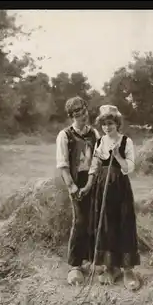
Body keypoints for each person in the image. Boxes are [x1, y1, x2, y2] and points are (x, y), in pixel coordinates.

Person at [79, 105, 141, 291]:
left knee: (123, 223)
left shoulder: (125, 141)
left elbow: (129, 168)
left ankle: (128, 271)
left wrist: (118, 157)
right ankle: (110, 268)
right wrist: (89, 185)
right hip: (102, 188)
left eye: (111, 123)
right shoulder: (100, 142)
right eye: (104, 124)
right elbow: (95, 165)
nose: (107, 127)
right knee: (105, 225)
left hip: (120, 189)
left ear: (117, 124)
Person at [55, 96, 101, 285]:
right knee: (80, 220)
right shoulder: (65, 135)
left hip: (91, 179)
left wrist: (91, 182)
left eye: (84, 111)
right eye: (77, 114)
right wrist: (72, 187)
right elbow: (63, 164)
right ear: (71, 116)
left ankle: (90, 260)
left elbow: (97, 160)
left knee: (93, 219)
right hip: (75, 180)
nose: (83, 116)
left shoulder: (94, 134)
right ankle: (75, 265)